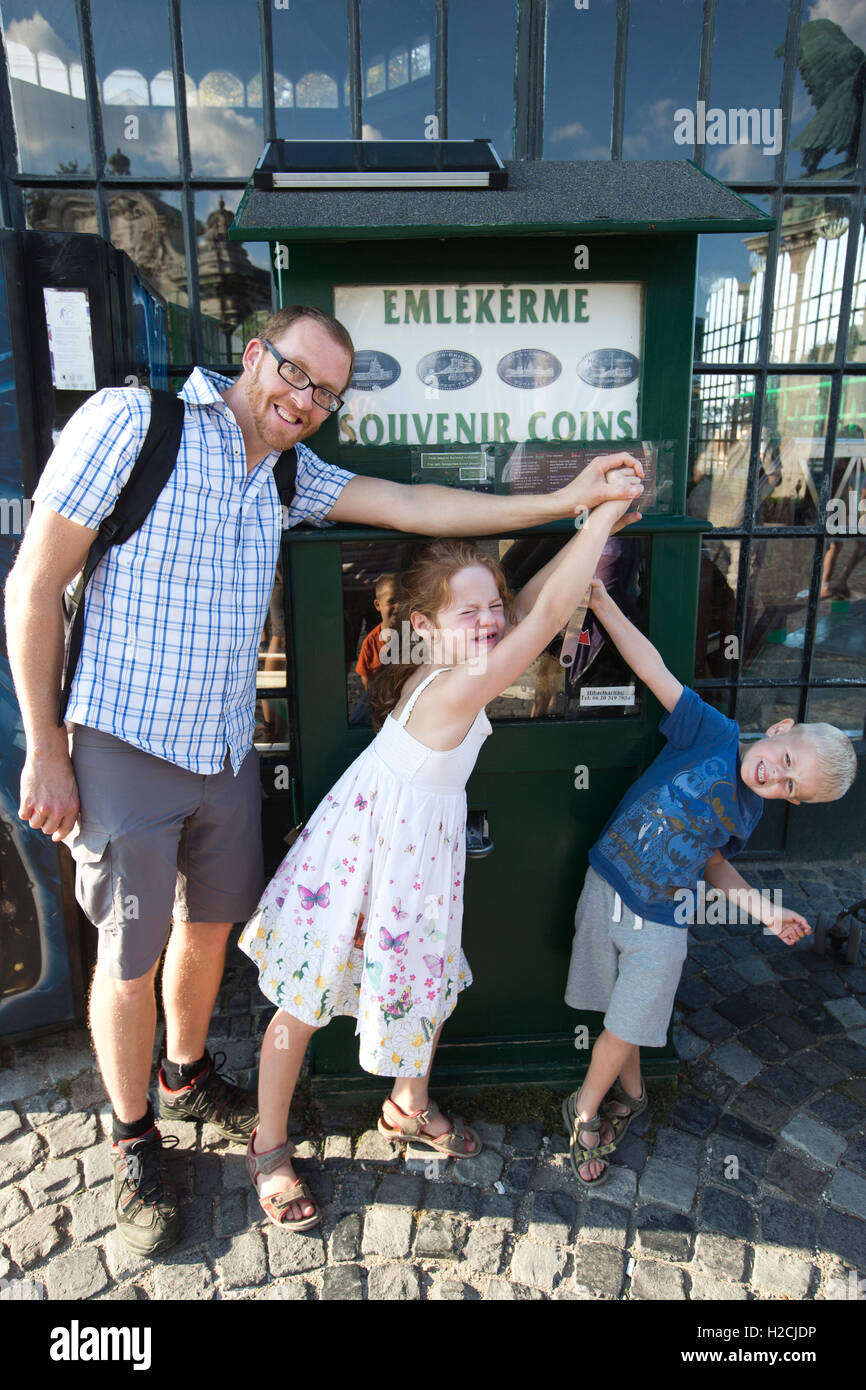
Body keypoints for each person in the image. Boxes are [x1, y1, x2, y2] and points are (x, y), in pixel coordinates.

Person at [4, 304, 646, 1256]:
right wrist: (44, 744)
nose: (304, 401)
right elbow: (33, 581)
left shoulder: (291, 473)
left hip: (222, 750)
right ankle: (135, 1136)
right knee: (129, 960)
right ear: (256, 354)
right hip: (118, 740)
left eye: (327, 394)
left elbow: (417, 507)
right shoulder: (132, 423)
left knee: (205, 932)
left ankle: (185, 1075)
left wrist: (566, 504)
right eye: (295, 375)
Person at [238, 462, 645, 1229]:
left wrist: (597, 529)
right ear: (423, 628)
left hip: (409, 862)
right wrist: (596, 515)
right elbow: (541, 619)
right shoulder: (457, 684)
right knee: (303, 1000)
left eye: (493, 606)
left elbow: (529, 604)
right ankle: (269, 1143)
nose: (489, 620)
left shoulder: (455, 657)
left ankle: (407, 1105)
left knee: (419, 979)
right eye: (471, 613)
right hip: (362, 864)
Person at [562, 578, 858, 1187]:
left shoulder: (746, 812)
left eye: (789, 787)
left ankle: (585, 1108)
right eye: (787, 761)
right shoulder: (715, 734)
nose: (775, 776)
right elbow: (652, 669)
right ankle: (635, 1095)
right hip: (609, 882)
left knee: (627, 1020)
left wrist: (766, 913)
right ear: (780, 728)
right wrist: (602, 603)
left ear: (790, 804)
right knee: (622, 1015)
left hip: (666, 921)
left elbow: (714, 865)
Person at [355, 573, 399, 687]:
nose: (398, 606)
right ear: (378, 604)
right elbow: (366, 679)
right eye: (392, 601)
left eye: (402, 600)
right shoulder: (370, 643)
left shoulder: (414, 637)